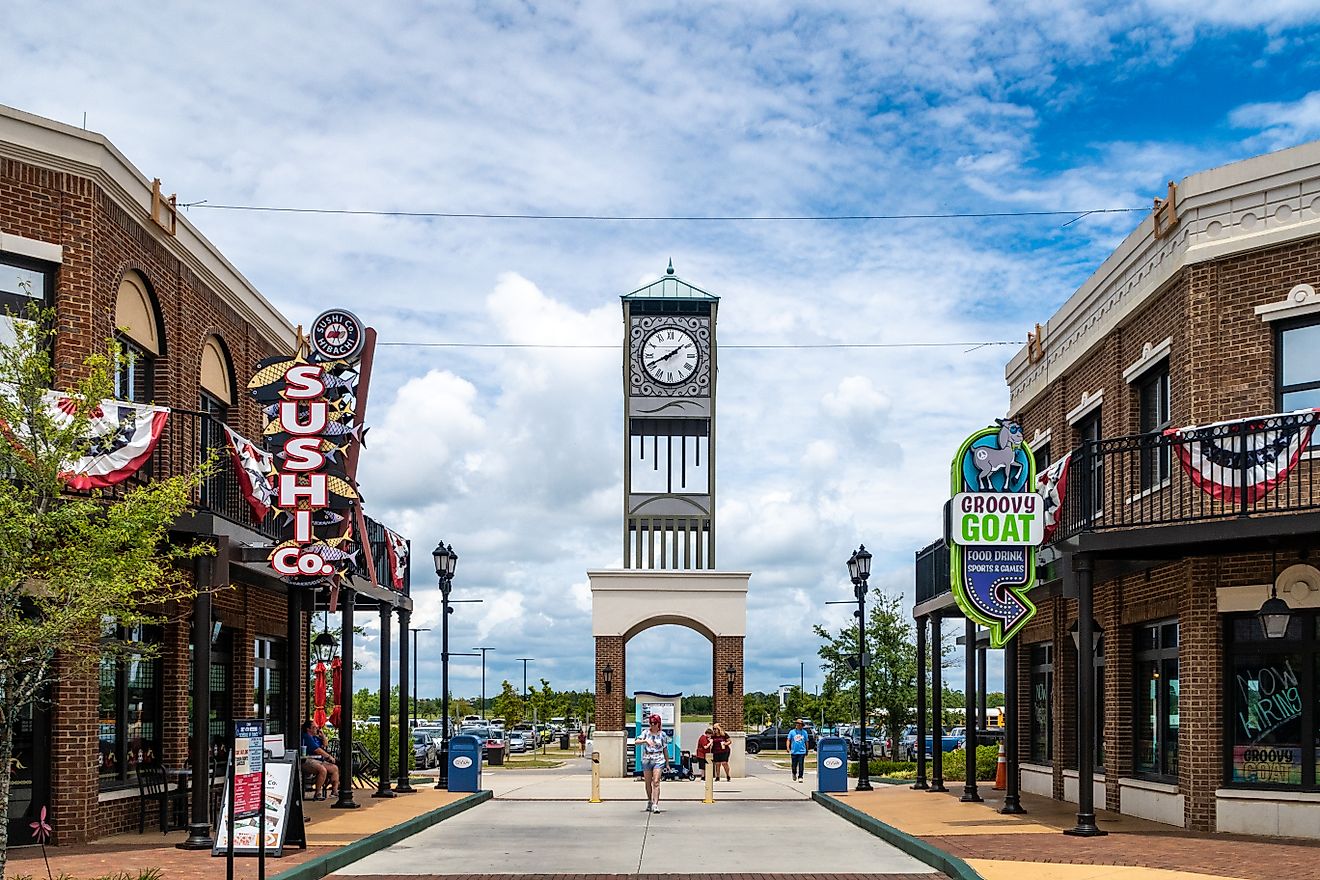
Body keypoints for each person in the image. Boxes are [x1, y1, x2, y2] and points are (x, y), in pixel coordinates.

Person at [638, 713, 670, 813]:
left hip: (658, 758)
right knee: (648, 782)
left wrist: (667, 763)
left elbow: (665, 749)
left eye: (654, 723)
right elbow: (636, 741)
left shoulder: (662, 735)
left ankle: (655, 804)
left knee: (656, 781)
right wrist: (644, 741)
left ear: (658, 723)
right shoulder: (645, 733)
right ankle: (649, 801)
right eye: (651, 723)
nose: (652, 725)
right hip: (647, 758)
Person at [301, 720, 339, 800]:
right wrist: (329, 757)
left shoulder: (315, 737)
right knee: (322, 770)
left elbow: (325, 746)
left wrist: (323, 736)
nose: (316, 729)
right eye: (314, 728)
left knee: (334, 768)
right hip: (307, 760)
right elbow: (317, 750)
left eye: (317, 728)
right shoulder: (307, 737)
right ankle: (318, 793)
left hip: (318, 760)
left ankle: (334, 791)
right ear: (308, 729)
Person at [787, 718, 810, 782]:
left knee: (801, 765)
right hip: (794, 751)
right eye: (797, 723)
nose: (798, 725)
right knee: (794, 765)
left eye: (800, 724)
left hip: (802, 751)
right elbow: (788, 740)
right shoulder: (792, 732)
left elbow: (806, 741)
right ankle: (794, 773)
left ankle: (800, 776)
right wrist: (788, 747)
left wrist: (807, 750)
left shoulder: (804, 732)